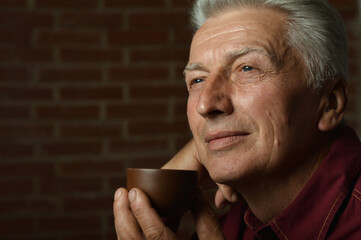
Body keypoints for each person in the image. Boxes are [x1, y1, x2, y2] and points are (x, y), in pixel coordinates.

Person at [113, 0, 361, 239]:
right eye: (198, 80)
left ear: (330, 103)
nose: (205, 104)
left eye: (247, 68)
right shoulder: (235, 224)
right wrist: (166, 188)